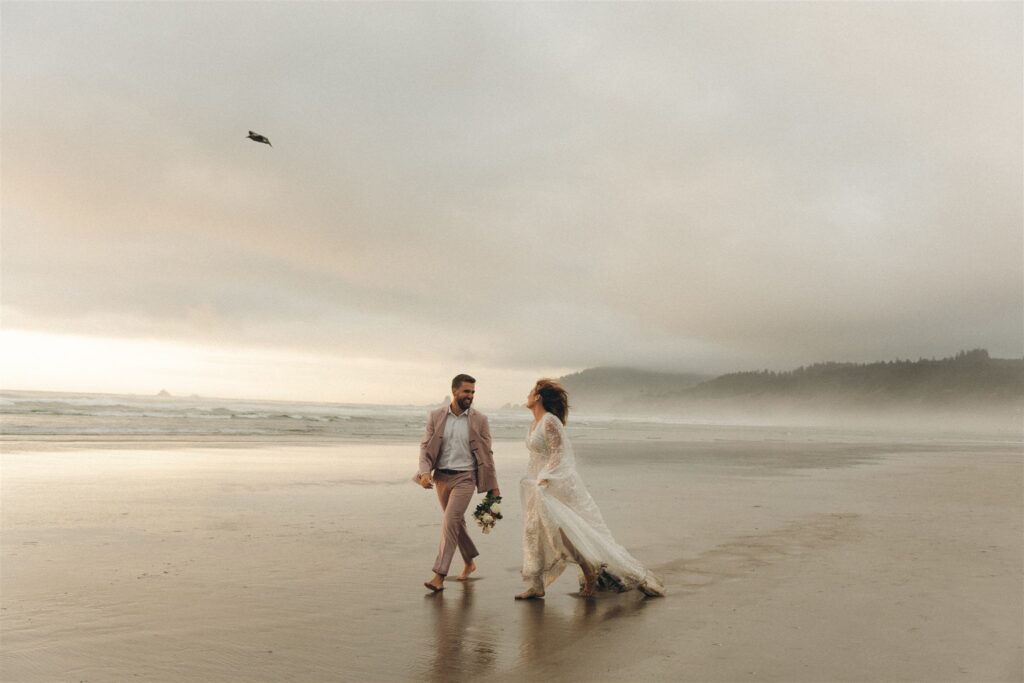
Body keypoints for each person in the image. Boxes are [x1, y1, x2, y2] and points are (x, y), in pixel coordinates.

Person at [516, 379, 664, 600]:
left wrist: (545, 478)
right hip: (537, 485)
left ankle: (591, 574)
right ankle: (536, 585)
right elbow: (536, 456)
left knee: (567, 532)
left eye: (531, 391)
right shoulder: (534, 423)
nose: (527, 394)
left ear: (538, 396)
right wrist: (532, 479)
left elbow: (560, 454)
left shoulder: (550, 421)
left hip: (554, 485)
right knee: (533, 531)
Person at [417, 374, 500, 593]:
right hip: (441, 477)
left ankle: (439, 575)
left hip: (466, 477)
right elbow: (425, 448)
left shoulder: (480, 420)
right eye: (466, 392)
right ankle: (470, 561)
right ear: (454, 391)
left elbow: (487, 454)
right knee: (455, 523)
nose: (470, 396)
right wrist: (425, 473)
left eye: (473, 392)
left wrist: (493, 486)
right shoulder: (435, 416)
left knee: (450, 520)